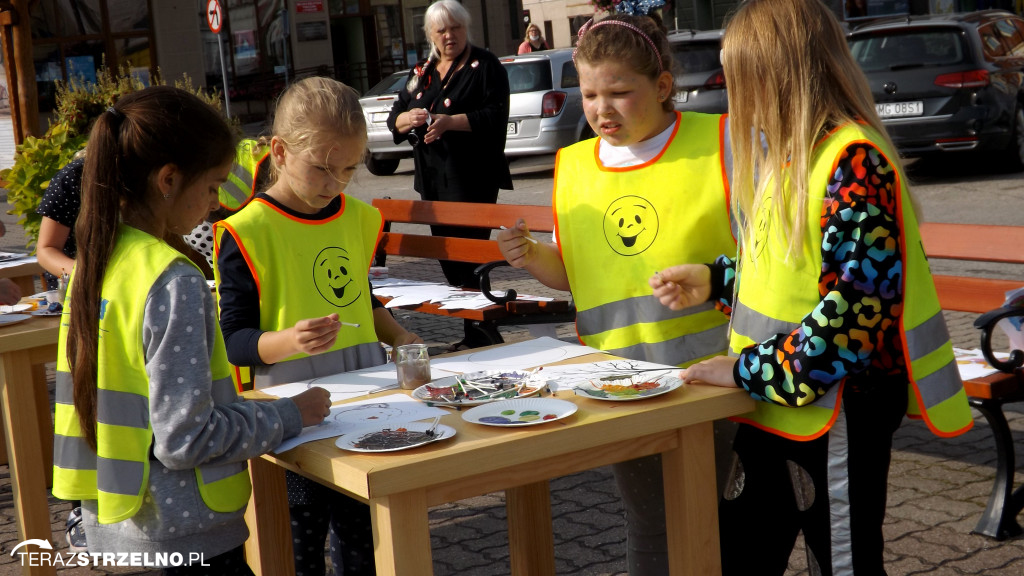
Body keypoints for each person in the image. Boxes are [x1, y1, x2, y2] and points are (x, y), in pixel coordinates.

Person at [648, 0, 975, 574]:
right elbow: (785, 266)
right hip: (781, 404)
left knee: (843, 561)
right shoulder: (788, 155)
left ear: (776, 77)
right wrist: (716, 279)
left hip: (836, 409)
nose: (732, 96)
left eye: (739, 79)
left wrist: (747, 369)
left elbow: (855, 310)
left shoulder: (853, 161)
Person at [50, 86, 332, 574]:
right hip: (187, 536)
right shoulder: (172, 280)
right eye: (212, 186)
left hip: (119, 523)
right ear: (168, 179)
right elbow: (185, 439)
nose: (217, 202)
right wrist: (289, 416)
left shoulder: (93, 263)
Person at [497, 12, 736, 575]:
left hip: (721, 376)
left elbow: (771, 257)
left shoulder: (721, 143)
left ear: (662, 86)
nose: (601, 109)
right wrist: (529, 255)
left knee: (723, 522)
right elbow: (571, 277)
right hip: (623, 384)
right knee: (650, 525)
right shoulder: (574, 165)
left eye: (620, 93)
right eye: (589, 94)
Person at [214, 76, 421, 576]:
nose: (336, 184)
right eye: (323, 169)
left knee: (363, 543)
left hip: (366, 412)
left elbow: (361, 299)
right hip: (291, 425)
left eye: (349, 169)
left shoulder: (356, 217)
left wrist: (402, 338)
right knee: (301, 548)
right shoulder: (246, 234)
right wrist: (286, 341)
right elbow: (232, 341)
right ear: (280, 153)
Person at [386, 0, 512, 301]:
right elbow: (395, 117)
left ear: (466, 27)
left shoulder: (485, 64)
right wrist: (407, 119)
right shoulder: (423, 70)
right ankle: (473, 327)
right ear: (430, 34)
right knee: (447, 255)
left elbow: (495, 115)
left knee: (469, 255)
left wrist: (449, 123)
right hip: (432, 178)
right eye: (441, 30)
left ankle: (480, 329)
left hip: (472, 177)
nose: (449, 35)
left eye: (455, 28)